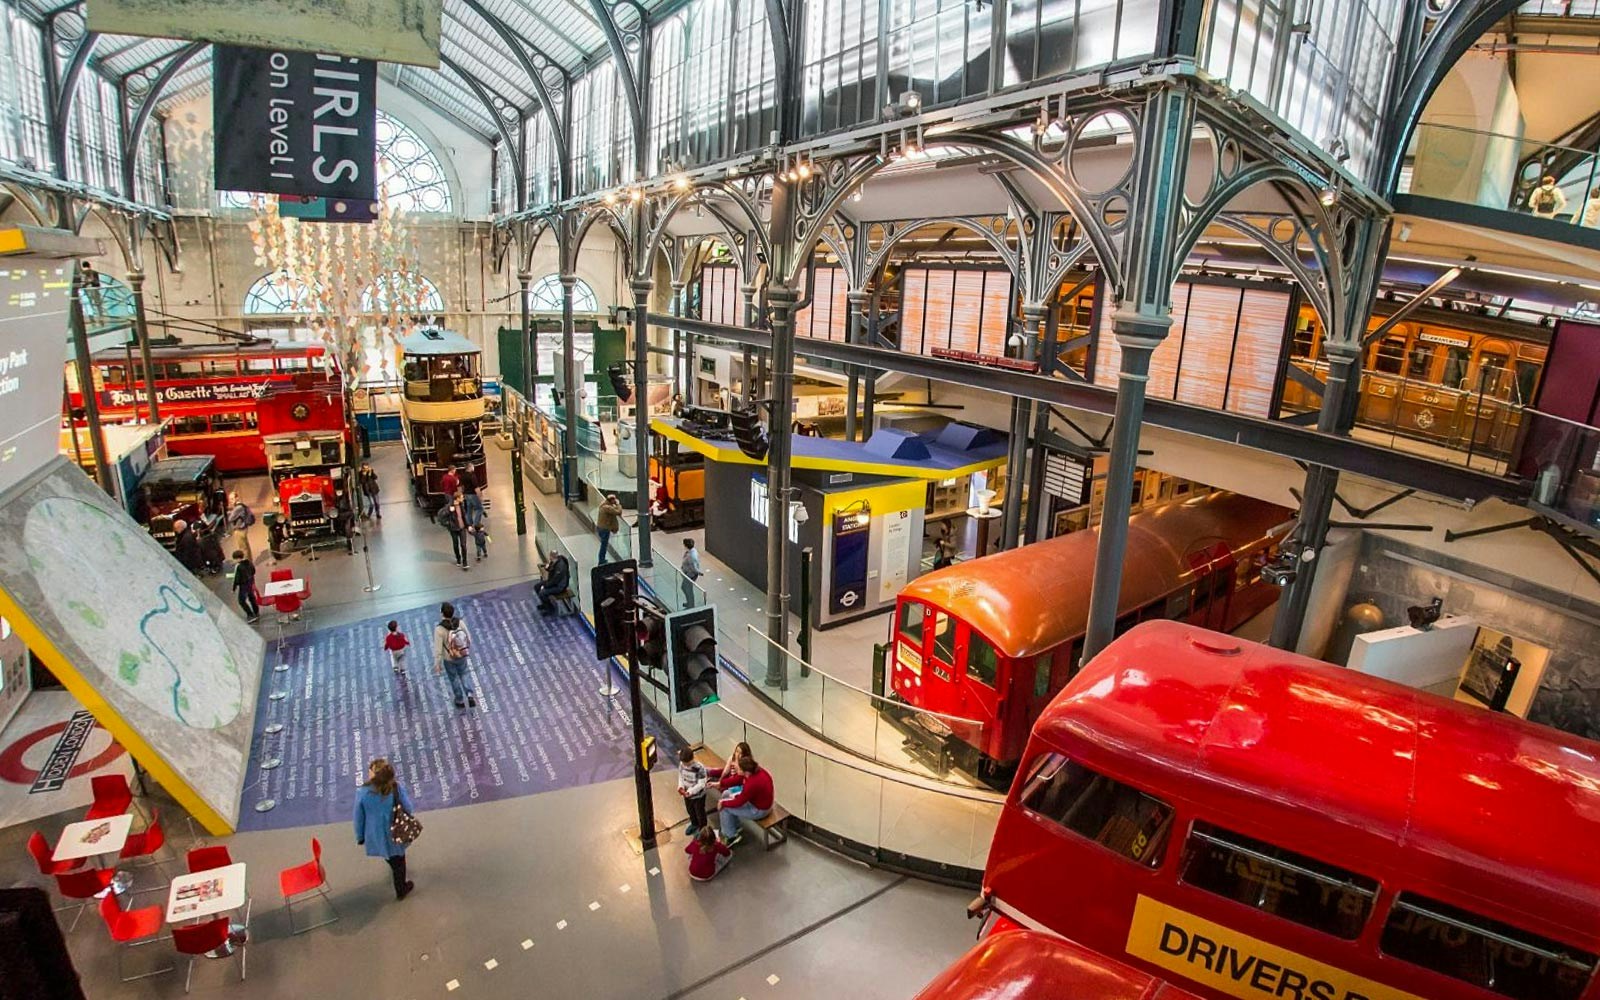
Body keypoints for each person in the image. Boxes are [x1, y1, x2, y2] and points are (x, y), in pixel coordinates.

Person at [353, 757, 416, 900]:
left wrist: (360, 836)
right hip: (395, 833)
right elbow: (409, 808)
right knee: (399, 862)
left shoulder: (362, 793)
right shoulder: (395, 788)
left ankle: (393, 869)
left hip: (375, 835)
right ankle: (401, 889)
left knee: (391, 859)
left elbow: (358, 818)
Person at [718, 756, 774, 845]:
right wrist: (720, 783)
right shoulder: (756, 771)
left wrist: (723, 803)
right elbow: (739, 779)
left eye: (739, 769)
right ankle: (734, 827)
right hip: (759, 802)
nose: (736, 770)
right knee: (726, 794)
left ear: (746, 772)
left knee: (724, 808)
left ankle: (730, 836)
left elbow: (739, 802)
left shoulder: (752, 783)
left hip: (759, 810)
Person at [432, 602, 476, 709]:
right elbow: (468, 636)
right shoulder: (460, 622)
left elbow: (438, 649)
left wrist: (437, 664)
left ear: (442, 613)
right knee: (464, 673)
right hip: (462, 654)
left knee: (454, 678)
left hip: (449, 658)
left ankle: (459, 700)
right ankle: (469, 694)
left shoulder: (439, 629)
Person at [677, 746, 709, 836]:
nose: (686, 765)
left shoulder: (700, 768)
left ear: (692, 758)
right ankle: (694, 824)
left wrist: (690, 792)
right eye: (684, 763)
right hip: (687, 795)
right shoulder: (681, 765)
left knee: (700, 812)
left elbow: (702, 784)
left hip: (699, 796)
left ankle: (703, 829)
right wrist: (680, 786)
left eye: (688, 763)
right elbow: (681, 777)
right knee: (690, 810)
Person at [438, 490, 469, 570]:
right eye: (461, 497)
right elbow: (441, 516)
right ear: (457, 498)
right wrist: (449, 511)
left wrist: (467, 525)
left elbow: (463, 516)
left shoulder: (461, 505)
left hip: (462, 528)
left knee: (463, 545)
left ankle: (465, 562)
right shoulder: (449, 506)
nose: (463, 498)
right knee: (456, 544)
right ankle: (458, 558)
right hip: (454, 529)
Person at [231, 550, 259, 623]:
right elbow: (253, 571)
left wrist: (233, 588)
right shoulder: (249, 562)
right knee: (252, 598)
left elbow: (236, 579)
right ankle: (256, 611)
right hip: (250, 582)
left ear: (238, 558)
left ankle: (250, 614)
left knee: (241, 601)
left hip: (243, 586)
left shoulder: (238, 566)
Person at [225, 492, 255, 559]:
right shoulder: (241, 506)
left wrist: (230, 513)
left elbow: (230, 519)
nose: (231, 501)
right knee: (246, 546)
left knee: (243, 548)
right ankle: (250, 561)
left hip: (240, 530)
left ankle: (246, 563)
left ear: (237, 498)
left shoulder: (238, 508)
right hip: (244, 529)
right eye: (230, 499)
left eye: (232, 499)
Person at [597, 494, 623, 562]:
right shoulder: (607, 508)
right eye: (614, 499)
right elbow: (618, 512)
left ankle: (602, 559)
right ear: (611, 500)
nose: (615, 500)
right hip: (605, 529)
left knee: (604, 544)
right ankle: (601, 560)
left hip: (601, 527)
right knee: (604, 545)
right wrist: (618, 505)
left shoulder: (603, 504)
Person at [680, 538, 704, 606]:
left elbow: (694, 568)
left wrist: (699, 572)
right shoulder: (690, 552)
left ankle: (690, 603)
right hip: (688, 573)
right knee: (686, 588)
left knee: (686, 588)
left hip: (690, 575)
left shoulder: (691, 556)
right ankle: (690, 602)